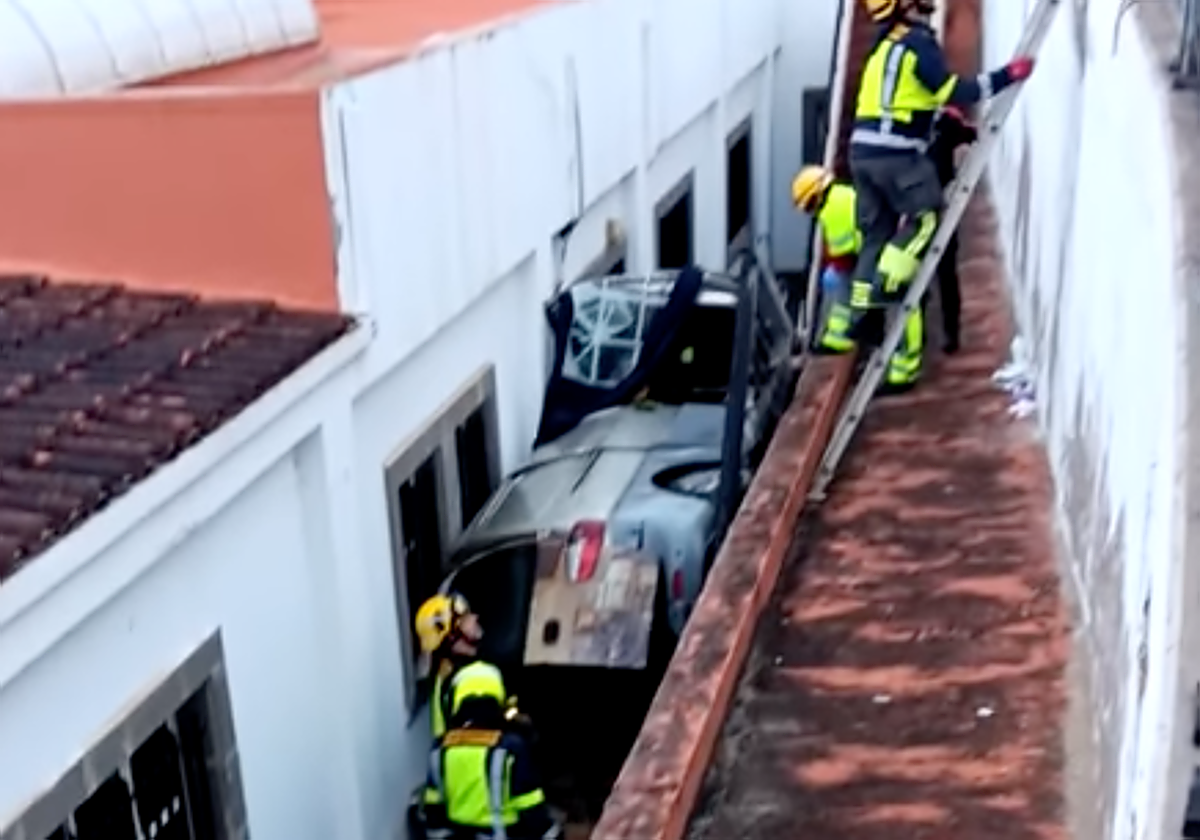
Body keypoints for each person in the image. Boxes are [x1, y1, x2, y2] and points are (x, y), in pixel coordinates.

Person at [848, 0, 1035, 387]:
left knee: (875, 235)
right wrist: (1008, 75)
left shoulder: (881, 48)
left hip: (861, 154)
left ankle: (863, 312)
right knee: (925, 218)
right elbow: (958, 89)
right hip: (896, 157)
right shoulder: (917, 44)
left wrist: (937, 116)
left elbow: (897, 101)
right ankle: (888, 284)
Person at [792, 164, 926, 392]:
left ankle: (904, 372)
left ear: (814, 196)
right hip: (892, 245)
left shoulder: (832, 209)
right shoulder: (845, 192)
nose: (810, 212)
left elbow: (843, 257)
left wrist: (861, 304)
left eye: (808, 206)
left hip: (884, 257)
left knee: (901, 306)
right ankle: (895, 363)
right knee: (896, 303)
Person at [417, 662, 562, 840]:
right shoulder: (512, 748)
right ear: (497, 696)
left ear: (457, 698)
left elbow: (433, 813)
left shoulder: (439, 750)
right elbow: (533, 813)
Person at [927, 105, 977, 354]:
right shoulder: (905, 123)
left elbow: (970, 135)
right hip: (915, 207)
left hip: (942, 207)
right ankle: (923, 335)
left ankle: (951, 334)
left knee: (945, 272)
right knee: (916, 277)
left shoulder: (944, 120)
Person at [415, 592, 488, 739]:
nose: (475, 618)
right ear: (450, 638)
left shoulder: (447, 677)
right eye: (465, 619)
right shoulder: (466, 680)